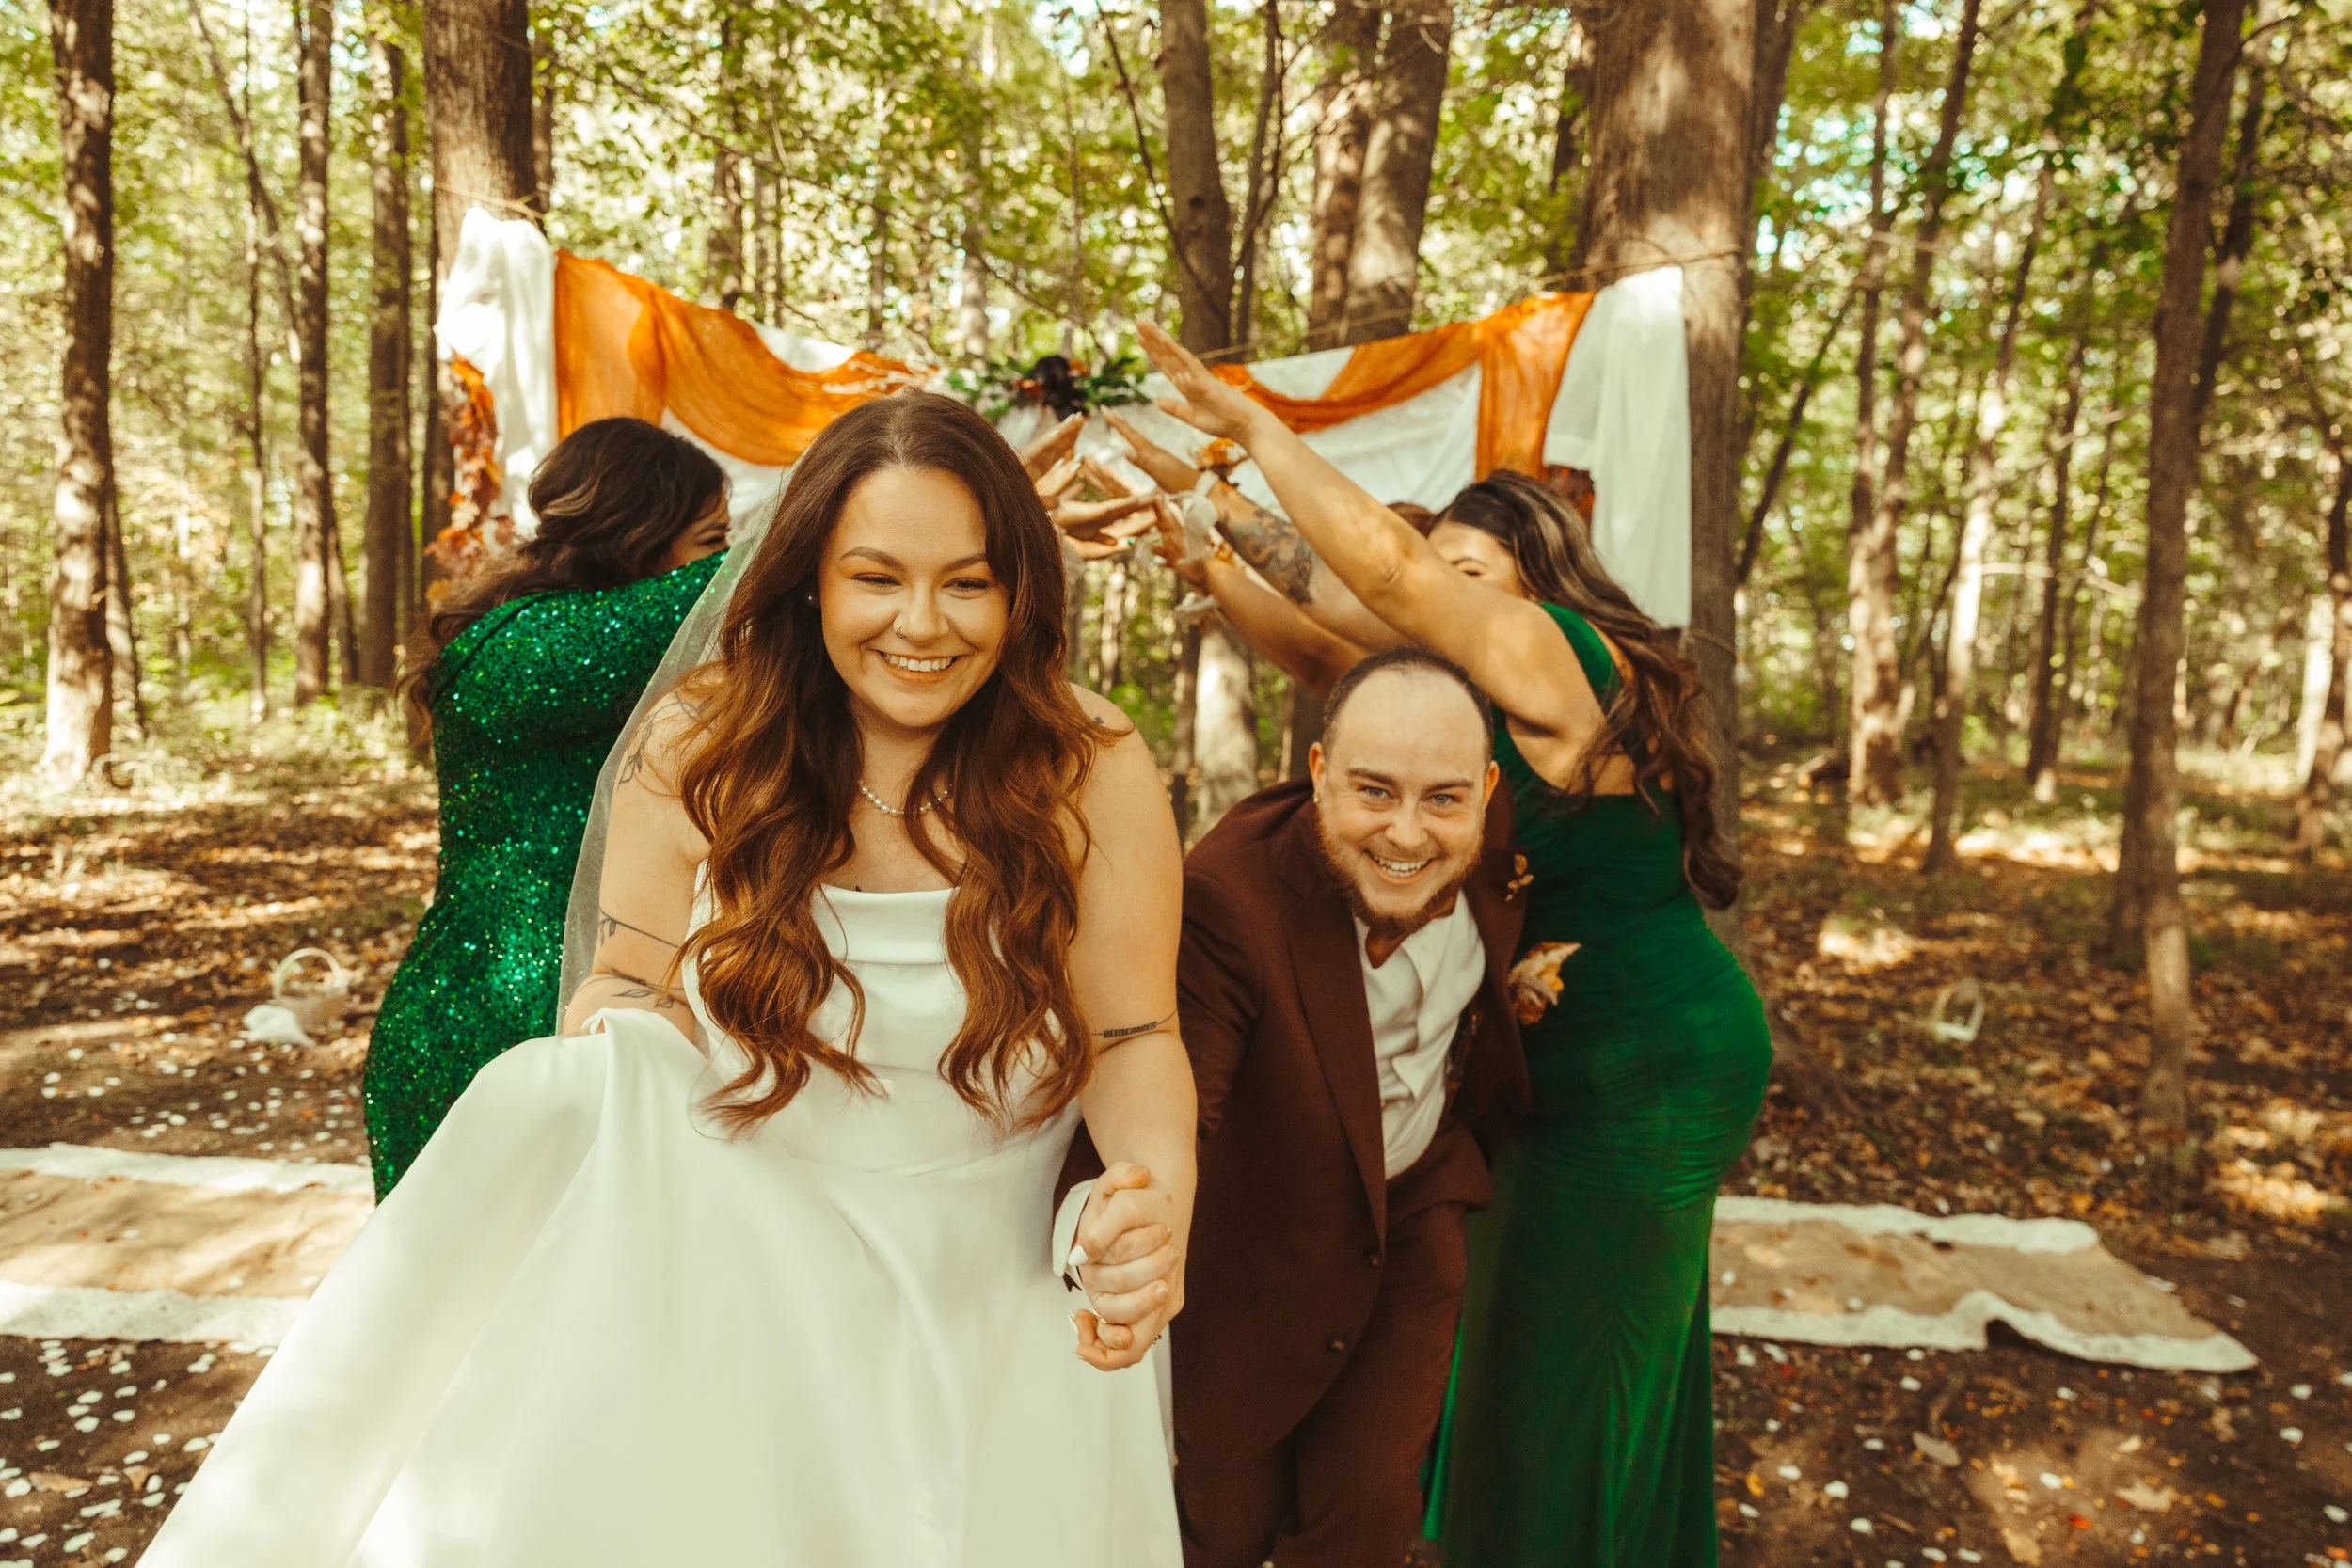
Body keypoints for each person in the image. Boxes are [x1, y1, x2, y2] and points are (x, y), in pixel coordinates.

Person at [144, 391, 1194, 1568]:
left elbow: (1137, 1027)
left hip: (996, 1294)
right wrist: (611, 1053)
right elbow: (631, 979)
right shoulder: (708, 739)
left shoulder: (1087, 763)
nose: (922, 622)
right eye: (875, 576)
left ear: (1019, 593)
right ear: (806, 579)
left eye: (969, 580)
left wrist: (1157, 1200)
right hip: (746, 1288)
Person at [1136, 320, 1772, 1568]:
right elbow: (1326, 640)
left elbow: (1381, 578)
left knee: (1582, 1370)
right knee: (1531, 1355)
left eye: (1469, 573)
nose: (1436, 590)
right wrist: (1208, 537)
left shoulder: (1565, 662)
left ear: (1537, 585)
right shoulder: (1479, 703)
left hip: (1649, 1058)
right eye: (1441, 571)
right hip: (1561, 1064)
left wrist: (1263, 432)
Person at [1109, 645, 1527, 1568]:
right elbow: (1180, 1096)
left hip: (1414, 1206)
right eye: (1372, 791)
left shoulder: (1501, 849)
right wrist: (1134, 1225)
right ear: (1316, 773)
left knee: (1370, 1510)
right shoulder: (1229, 902)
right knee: (1220, 1526)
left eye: (1444, 798)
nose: (1409, 833)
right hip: (1255, 1250)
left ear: (1487, 789)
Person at [365, 417, 733, 1195]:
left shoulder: (592, 640)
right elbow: (746, 581)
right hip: (482, 1032)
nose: (717, 560)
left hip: (582, 1017)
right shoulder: (533, 645)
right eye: (708, 539)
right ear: (642, 534)